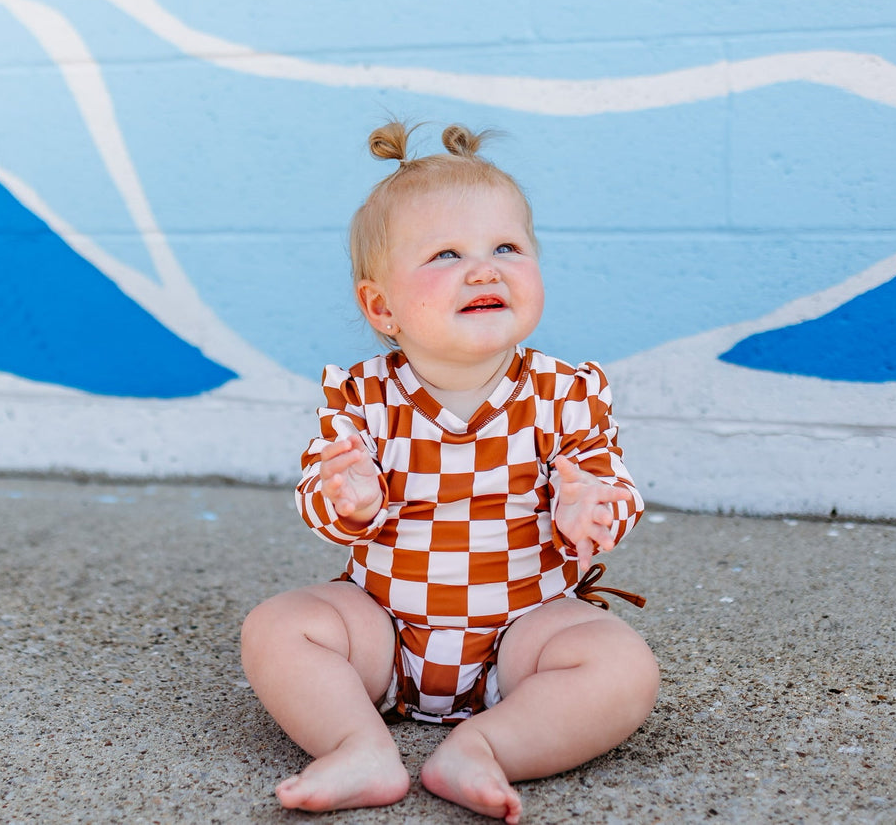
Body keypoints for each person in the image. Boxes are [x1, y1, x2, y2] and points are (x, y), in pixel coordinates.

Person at [240, 120, 659, 823]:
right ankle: (356, 743)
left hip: (525, 631)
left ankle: (487, 747)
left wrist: (593, 508)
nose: (485, 268)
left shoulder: (567, 392)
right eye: (446, 254)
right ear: (382, 307)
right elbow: (318, 491)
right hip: (385, 630)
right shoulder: (361, 395)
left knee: (622, 668)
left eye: (506, 247)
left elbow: (609, 482)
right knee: (278, 627)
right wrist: (346, 498)